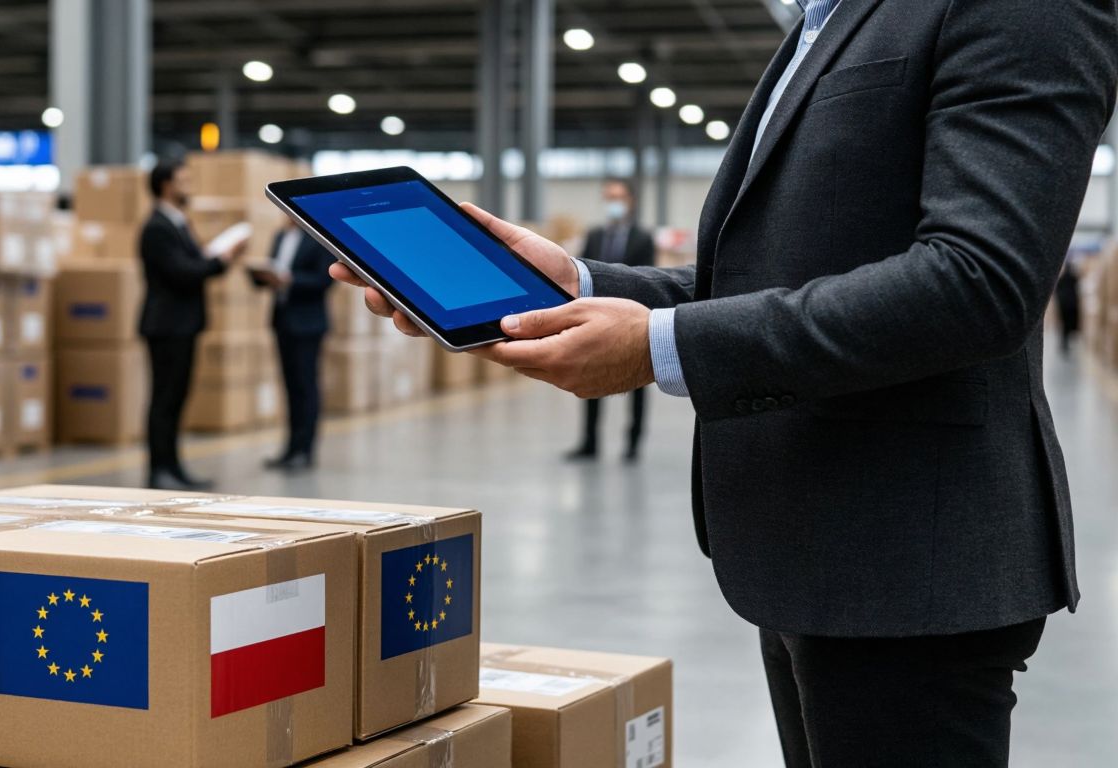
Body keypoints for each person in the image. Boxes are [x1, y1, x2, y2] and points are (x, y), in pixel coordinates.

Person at [332, 1, 1118, 764]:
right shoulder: (829, 21)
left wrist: (661, 347)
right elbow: (775, 275)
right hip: (812, 537)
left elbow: (977, 283)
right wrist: (576, 282)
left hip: (911, 558)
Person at [138, 156, 240, 491]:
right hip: (167, 326)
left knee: (177, 399)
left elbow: (193, 263)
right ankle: (159, 471)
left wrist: (217, 260)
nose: (189, 187)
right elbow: (182, 272)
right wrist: (220, 261)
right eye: (183, 180)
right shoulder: (156, 227)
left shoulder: (178, 222)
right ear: (166, 185)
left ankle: (174, 468)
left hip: (183, 325)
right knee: (164, 400)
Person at [567, 179, 657, 462]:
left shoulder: (643, 238)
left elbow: (647, 277)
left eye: (618, 197)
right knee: (591, 376)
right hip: (595, 314)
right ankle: (590, 442)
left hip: (633, 317)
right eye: (609, 197)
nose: (614, 203)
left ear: (630, 201)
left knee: (637, 382)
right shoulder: (594, 236)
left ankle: (632, 444)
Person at [250, 219, 336, 472]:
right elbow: (273, 271)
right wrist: (261, 276)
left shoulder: (319, 236)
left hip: (308, 323)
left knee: (306, 387)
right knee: (289, 386)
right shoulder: (279, 236)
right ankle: (289, 449)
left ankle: (305, 451)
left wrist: (289, 280)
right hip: (283, 321)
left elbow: (324, 280)